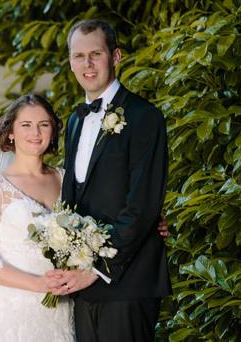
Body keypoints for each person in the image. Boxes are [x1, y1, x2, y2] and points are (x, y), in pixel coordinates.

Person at [0, 94, 169, 341]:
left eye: (44, 124)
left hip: (62, 304)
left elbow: (100, 217)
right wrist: (38, 284)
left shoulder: (65, 179)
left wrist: (150, 223)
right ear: (11, 133)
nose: (35, 132)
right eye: (26, 125)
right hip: (14, 307)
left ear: (53, 131)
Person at [45, 19, 171, 342]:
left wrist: (95, 269)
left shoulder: (145, 117)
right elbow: (73, 201)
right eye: (78, 56)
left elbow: (141, 208)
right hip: (82, 288)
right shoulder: (74, 121)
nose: (87, 64)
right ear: (70, 62)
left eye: (95, 54)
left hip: (127, 283)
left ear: (115, 56)